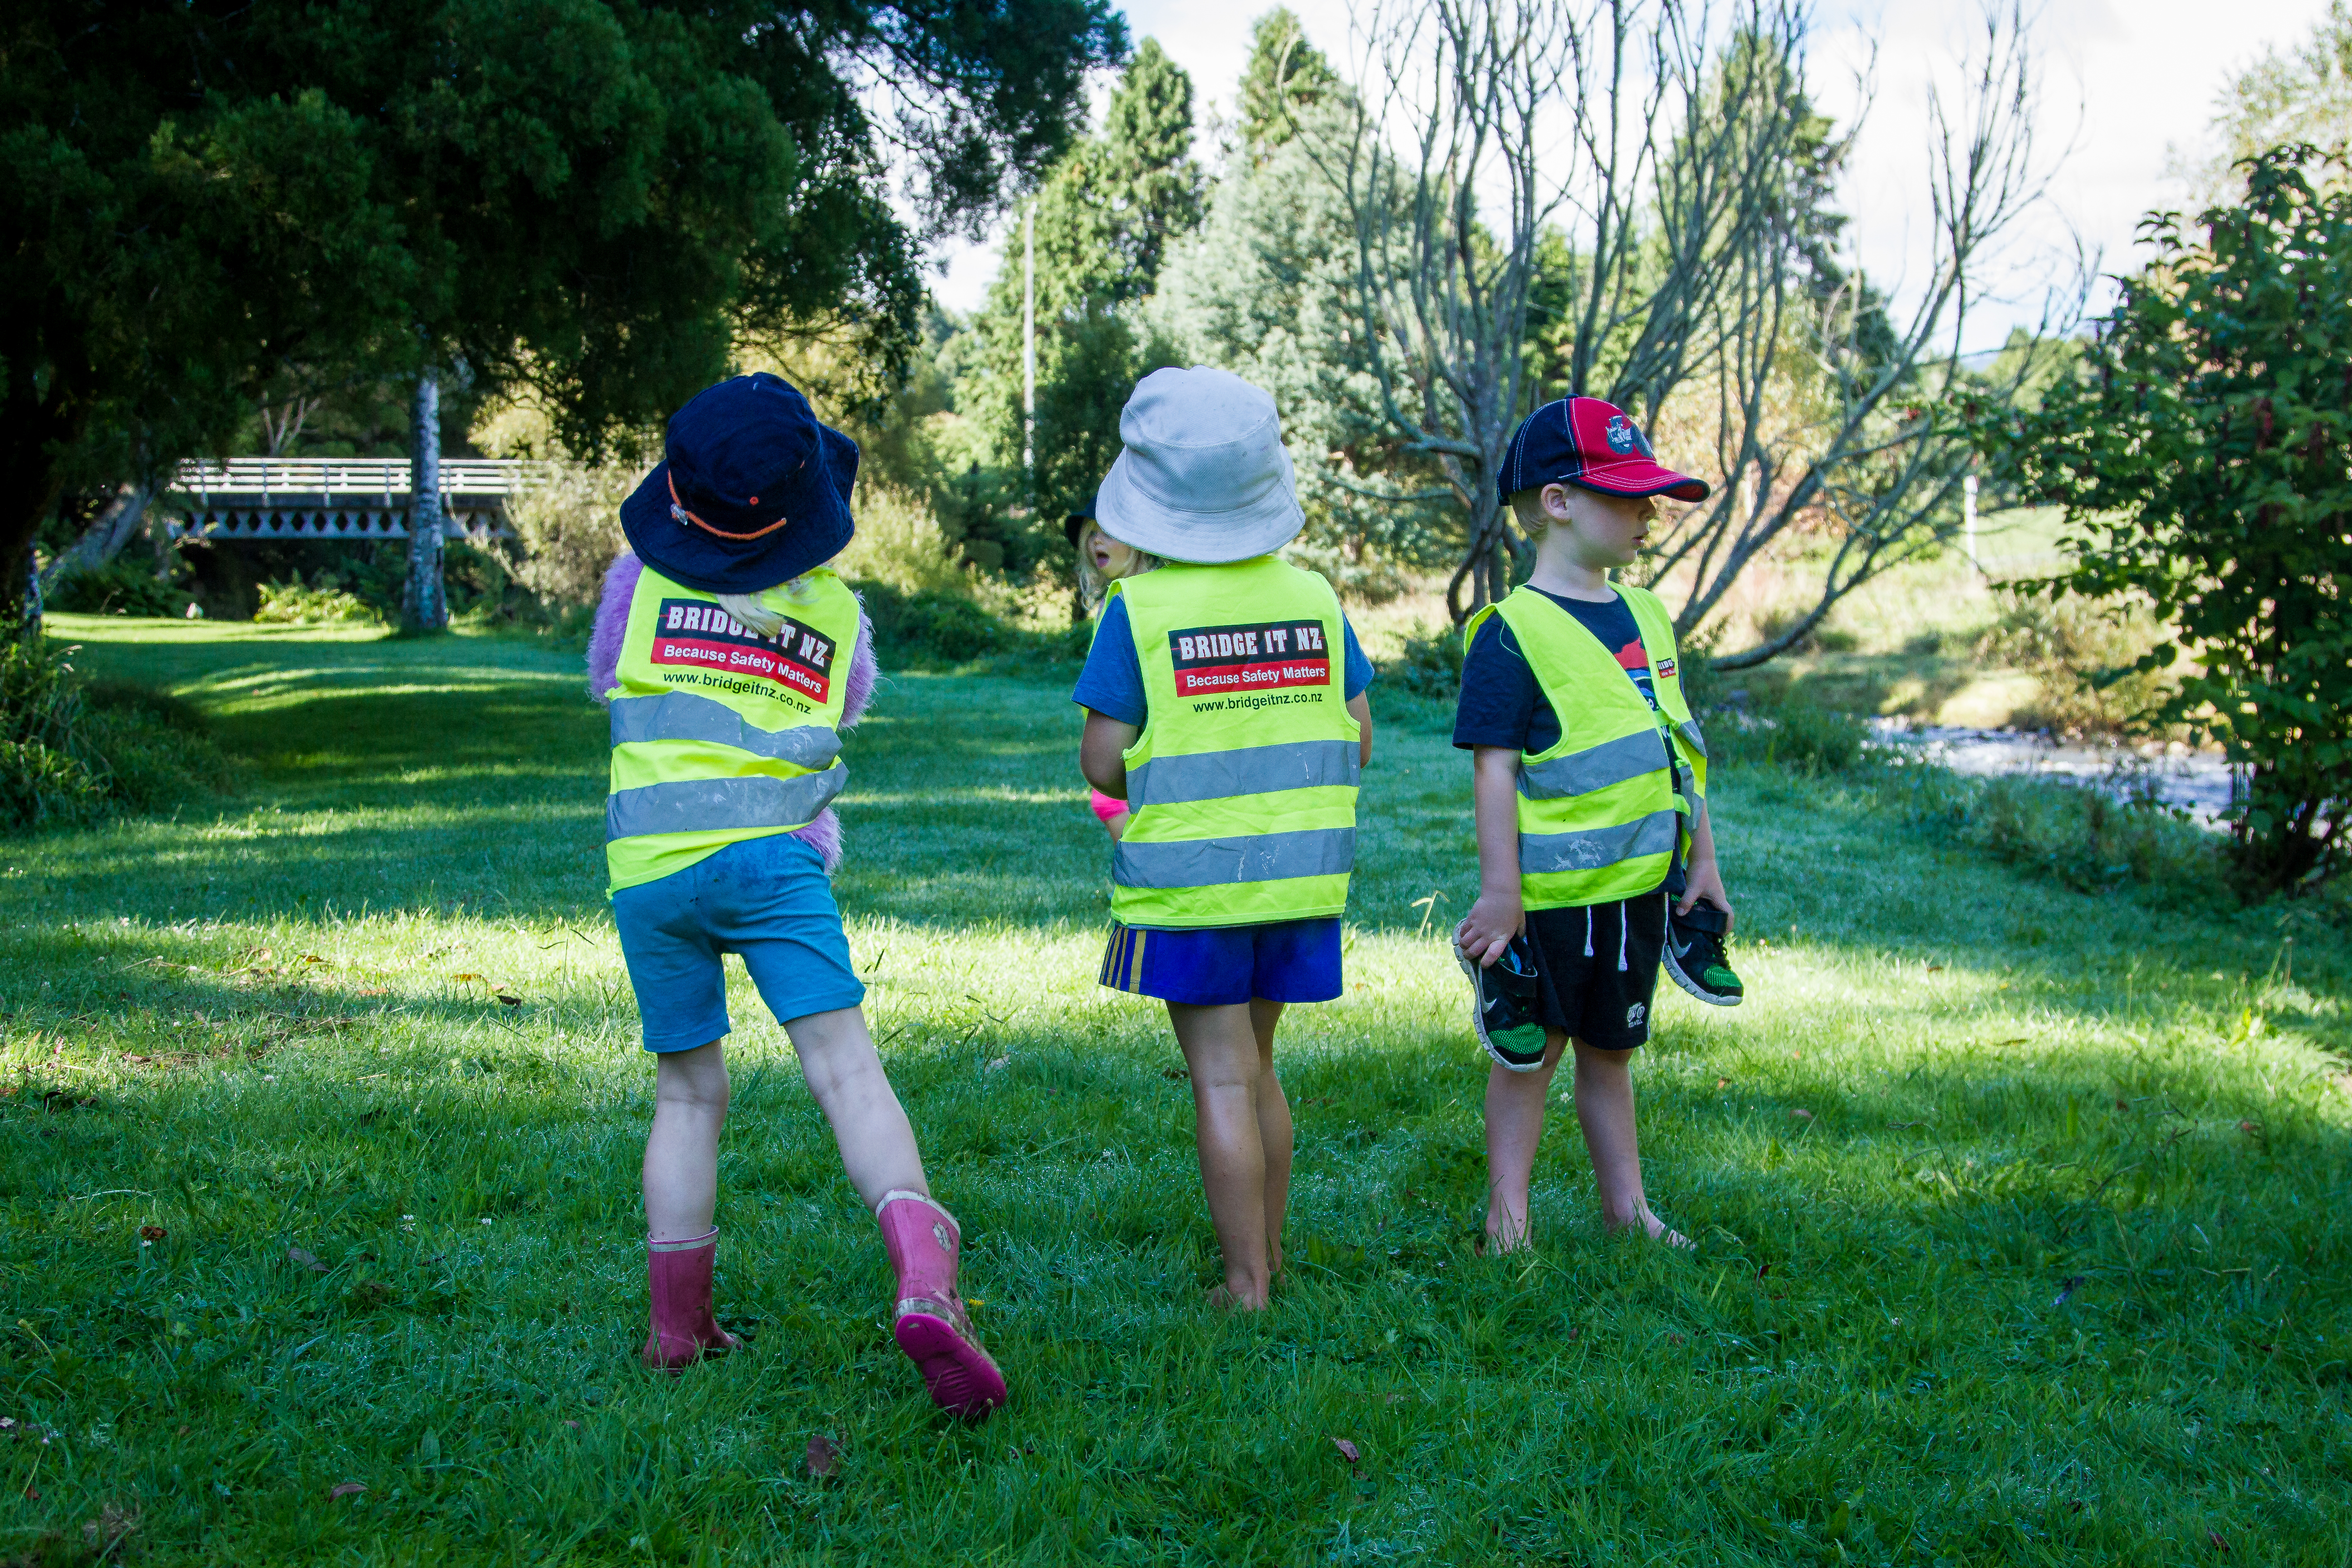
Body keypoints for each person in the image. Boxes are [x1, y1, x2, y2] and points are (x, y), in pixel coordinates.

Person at [587, 372, 1006, 1416]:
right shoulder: (835, 612)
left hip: (650, 873)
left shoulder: (634, 581)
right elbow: (847, 704)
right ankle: (925, 1276)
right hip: (774, 865)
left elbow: (606, 678)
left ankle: (677, 1327)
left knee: (687, 1091)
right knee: (847, 1073)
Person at [1072, 366, 1375, 1310]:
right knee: (1259, 1067)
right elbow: (1358, 736)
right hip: (1298, 879)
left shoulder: (1141, 613)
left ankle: (1245, 1285)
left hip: (1194, 886)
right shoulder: (1317, 599)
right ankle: (1271, 1256)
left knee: (1220, 1079)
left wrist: (1166, 766)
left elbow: (1101, 759)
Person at [1450, 395, 1745, 1255]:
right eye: (1626, 495)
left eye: (1650, 496)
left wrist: (1704, 859)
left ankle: (1628, 1210)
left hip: (1637, 888)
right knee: (1528, 1056)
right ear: (1556, 503)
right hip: (1545, 897)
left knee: (1611, 1052)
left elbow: (1674, 746)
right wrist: (1500, 894)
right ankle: (1508, 1218)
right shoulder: (1510, 634)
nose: (1648, 513)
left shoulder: (1647, 616)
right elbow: (1493, 767)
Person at [1065, 492, 1163, 839]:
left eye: (1108, 531)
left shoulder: (1151, 602)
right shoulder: (1114, 600)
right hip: (1115, 755)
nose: (1096, 542)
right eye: (1091, 533)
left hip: (1142, 759)